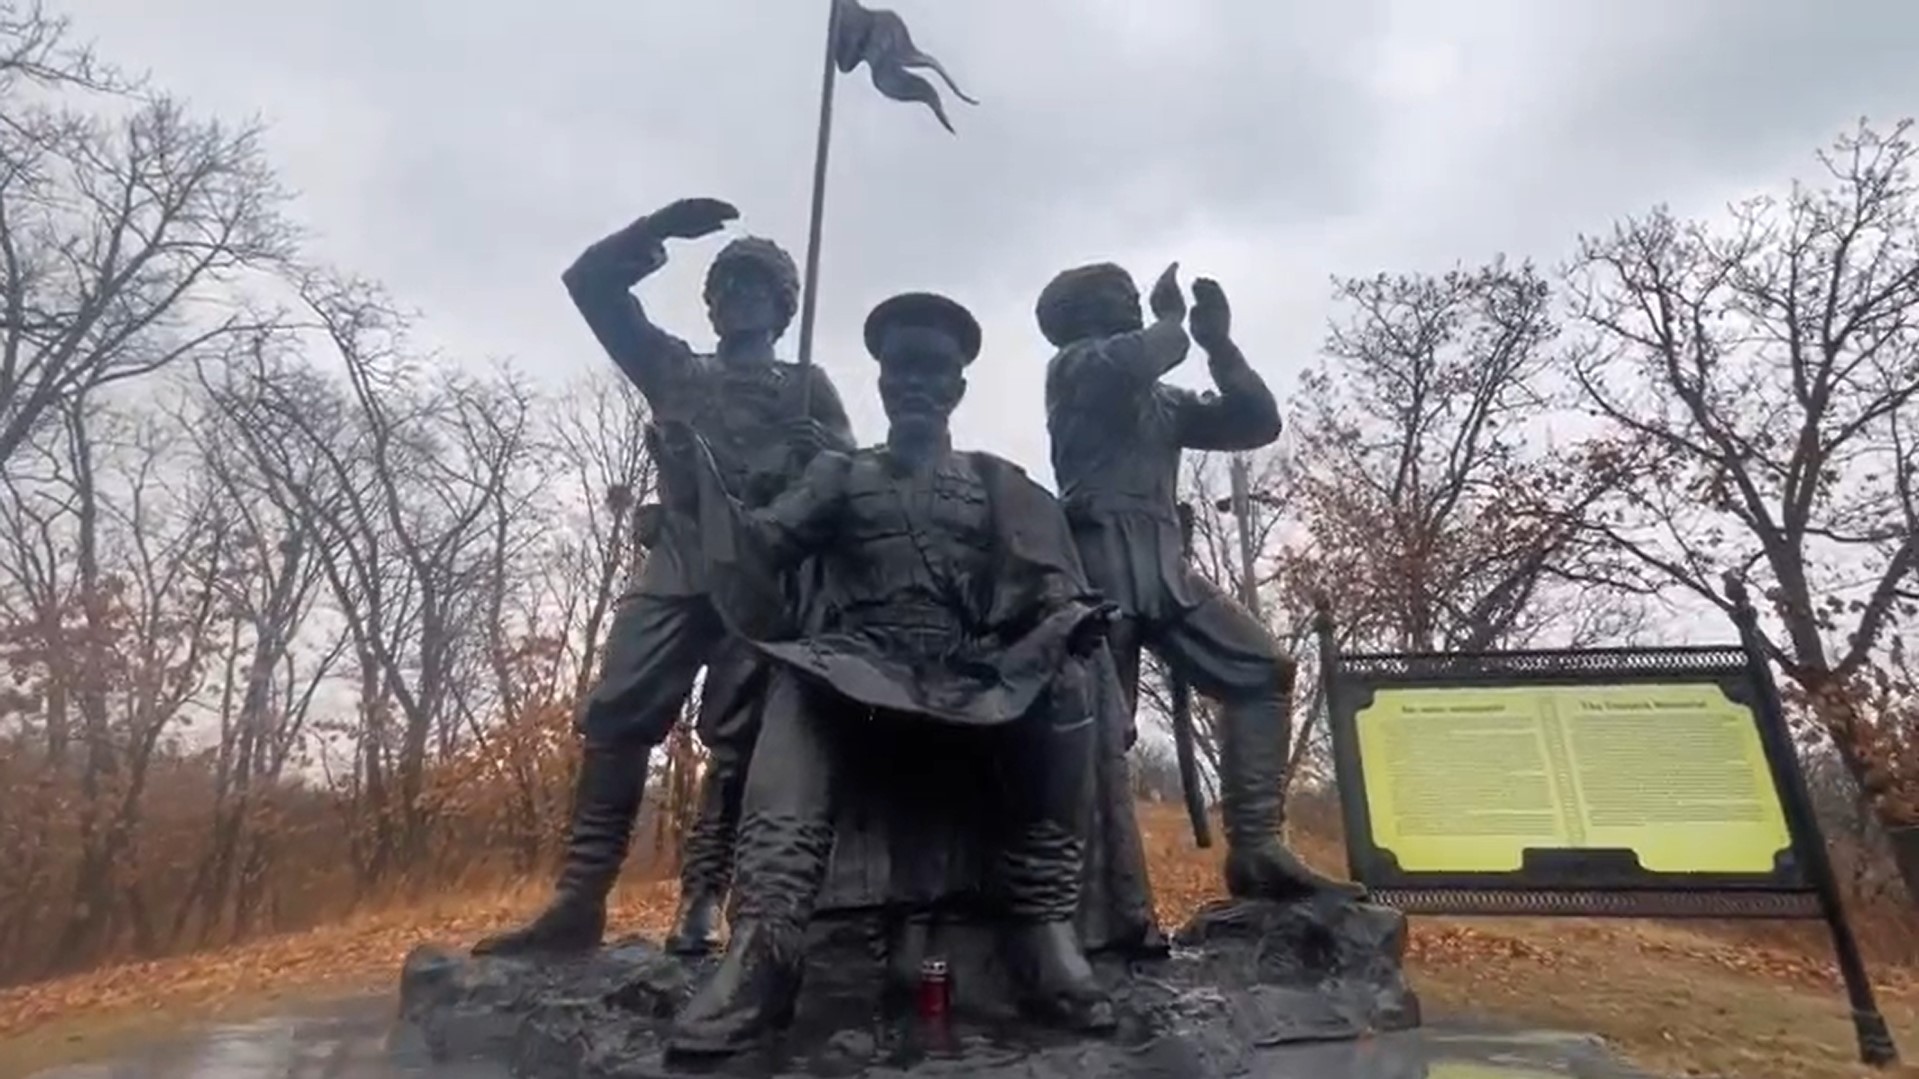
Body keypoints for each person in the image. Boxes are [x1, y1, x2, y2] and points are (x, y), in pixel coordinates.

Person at [659, 292, 1119, 1056]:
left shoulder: (994, 481)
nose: (914, 382)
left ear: (957, 387)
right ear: (879, 380)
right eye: (901, 366)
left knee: (1065, 674)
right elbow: (758, 550)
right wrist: (698, 479)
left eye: (931, 369)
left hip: (964, 674)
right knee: (797, 685)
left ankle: (1041, 926)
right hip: (858, 668)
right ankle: (765, 945)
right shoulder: (839, 473)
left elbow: (1048, 582)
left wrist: (1064, 617)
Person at [473, 198, 855, 958]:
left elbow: (847, 479)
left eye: (755, 286)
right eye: (726, 286)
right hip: (678, 564)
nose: (737, 297)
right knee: (617, 712)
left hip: (759, 574)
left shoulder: (806, 386)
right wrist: (653, 232)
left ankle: (704, 896)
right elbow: (589, 285)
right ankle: (579, 899)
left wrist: (819, 451)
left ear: (783, 305)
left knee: (737, 738)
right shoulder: (677, 369)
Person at [1039, 261, 1365, 903]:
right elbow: (1146, 353)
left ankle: (1258, 850)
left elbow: (1256, 422)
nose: (1136, 303)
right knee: (1101, 722)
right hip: (1097, 564)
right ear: (1081, 314)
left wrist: (1219, 346)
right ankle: (1080, 894)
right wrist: (1172, 322)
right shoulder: (1078, 367)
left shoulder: (1160, 401)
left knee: (1262, 671)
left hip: (1163, 564)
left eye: (1135, 296)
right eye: (1121, 296)